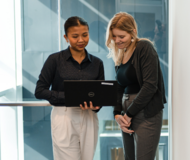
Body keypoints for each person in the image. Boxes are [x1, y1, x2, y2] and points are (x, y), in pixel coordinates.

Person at [35, 16, 105, 160]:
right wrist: (69, 97)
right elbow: (39, 90)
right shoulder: (54, 60)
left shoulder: (97, 63)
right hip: (64, 116)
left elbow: (99, 95)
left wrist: (96, 105)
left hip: (89, 117)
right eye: (75, 36)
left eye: (85, 35)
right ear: (66, 37)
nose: (81, 40)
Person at [106, 12, 167, 160]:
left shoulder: (144, 47)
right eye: (114, 36)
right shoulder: (121, 53)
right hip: (127, 111)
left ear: (133, 32)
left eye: (122, 37)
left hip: (145, 111)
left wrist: (128, 114)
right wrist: (117, 113)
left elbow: (150, 86)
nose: (117, 40)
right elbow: (119, 86)